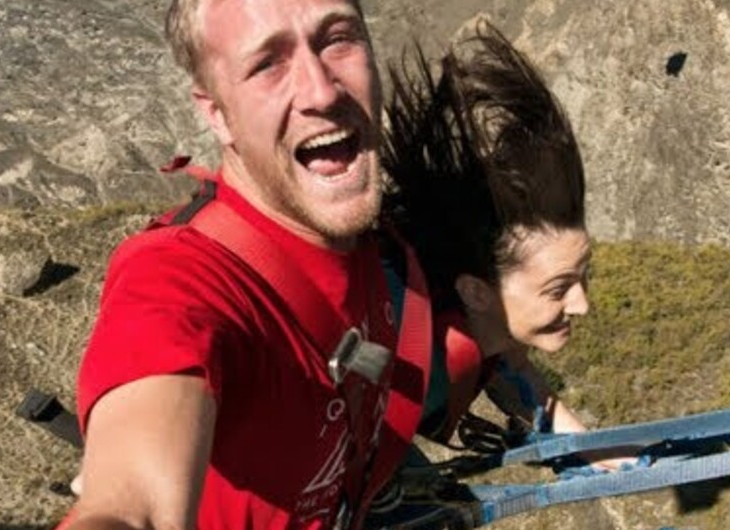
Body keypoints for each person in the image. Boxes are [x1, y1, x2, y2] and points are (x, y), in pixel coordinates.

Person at [66, 1, 431, 529]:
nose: (322, 91)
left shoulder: (372, 239)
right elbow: (129, 509)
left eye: (338, 39)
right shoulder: (180, 276)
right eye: (267, 64)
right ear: (216, 113)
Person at [380, 24, 630, 470]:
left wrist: (612, 458)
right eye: (558, 289)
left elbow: (517, 377)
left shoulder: (485, 326)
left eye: (582, 276)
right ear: (476, 291)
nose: (583, 305)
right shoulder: (394, 335)